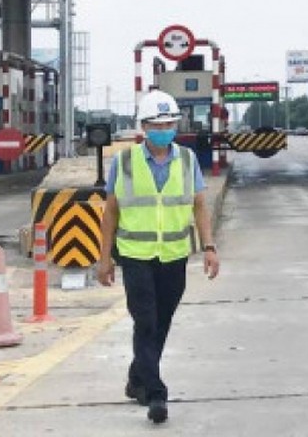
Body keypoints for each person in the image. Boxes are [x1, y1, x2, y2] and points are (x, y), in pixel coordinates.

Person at [97, 89, 220, 424]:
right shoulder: (123, 162)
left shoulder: (187, 159)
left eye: (169, 122)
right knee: (146, 320)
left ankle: (137, 378)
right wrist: (104, 257)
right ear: (144, 127)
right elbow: (110, 213)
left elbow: (198, 206)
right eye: (157, 123)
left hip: (174, 256)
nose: (164, 128)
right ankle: (155, 393)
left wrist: (209, 247)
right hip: (135, 255)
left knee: (160, 323)